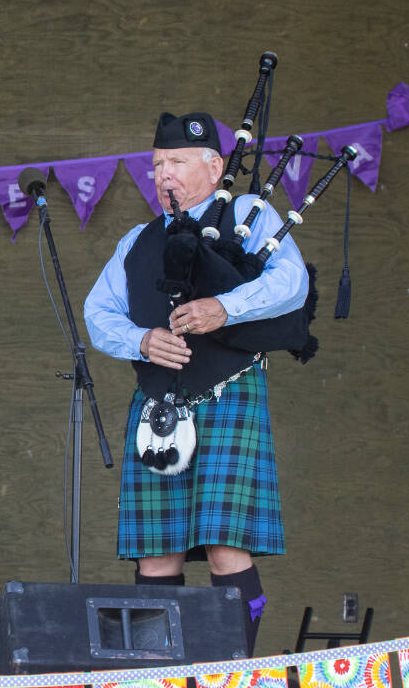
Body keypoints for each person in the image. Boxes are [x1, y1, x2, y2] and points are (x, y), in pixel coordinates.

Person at [83, 111, 309, 655]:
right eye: (158, 164)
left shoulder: (252, 218)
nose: (164, 175)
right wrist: (140, 341)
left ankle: (226, 678)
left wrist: (223, 308)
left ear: (215, 167)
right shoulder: (137, 240)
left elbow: (292, 283)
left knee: (225, 544)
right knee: (156, 550)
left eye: (177, 162)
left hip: (229, 392)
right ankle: (161, 685)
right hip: (159, 401)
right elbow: (99, 313)